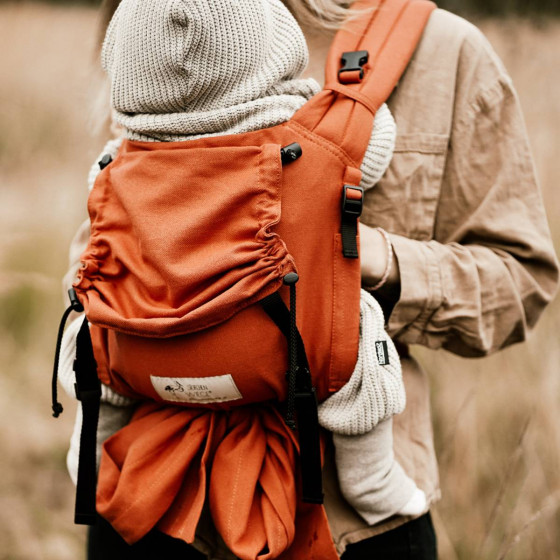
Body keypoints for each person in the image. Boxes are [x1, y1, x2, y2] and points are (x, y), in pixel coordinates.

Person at [60, 0, 559, 558]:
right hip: (146, 506)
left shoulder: (439, 51)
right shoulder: (152, 18)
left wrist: (373, 260)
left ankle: (369, 473)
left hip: (355, 531)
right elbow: (105, 229)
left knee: (354, 342)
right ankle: (93, 445)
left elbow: (521, 281)